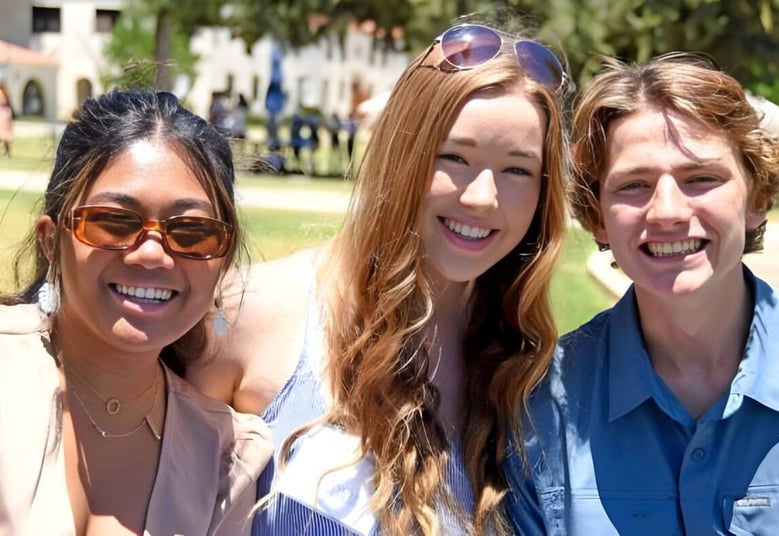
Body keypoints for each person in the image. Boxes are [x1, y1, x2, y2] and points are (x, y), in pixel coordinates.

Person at [187, 23, 572, 535]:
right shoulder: (249, 314)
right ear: (401, 153)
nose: (482, 197)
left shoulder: (530, 375)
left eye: (518, 170)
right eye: (453, 157)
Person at [504, 52, 779, 535]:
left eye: (701, 178)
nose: (666, 212)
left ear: (758, 197)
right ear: (597, 217)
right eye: (633, 185)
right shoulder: (539, 411)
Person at [0, 89, 272, 534]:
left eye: (193, 231)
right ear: (51, 239)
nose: (153, 255)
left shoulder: (226, 456)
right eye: (112, 221)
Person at [0, 83, 14, 157]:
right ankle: (7, 151)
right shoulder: (5, 93)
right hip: (6, 113)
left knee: (4, 133)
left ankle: (7, 151)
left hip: (3, 114)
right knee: (6, 134)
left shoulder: (1, 93)